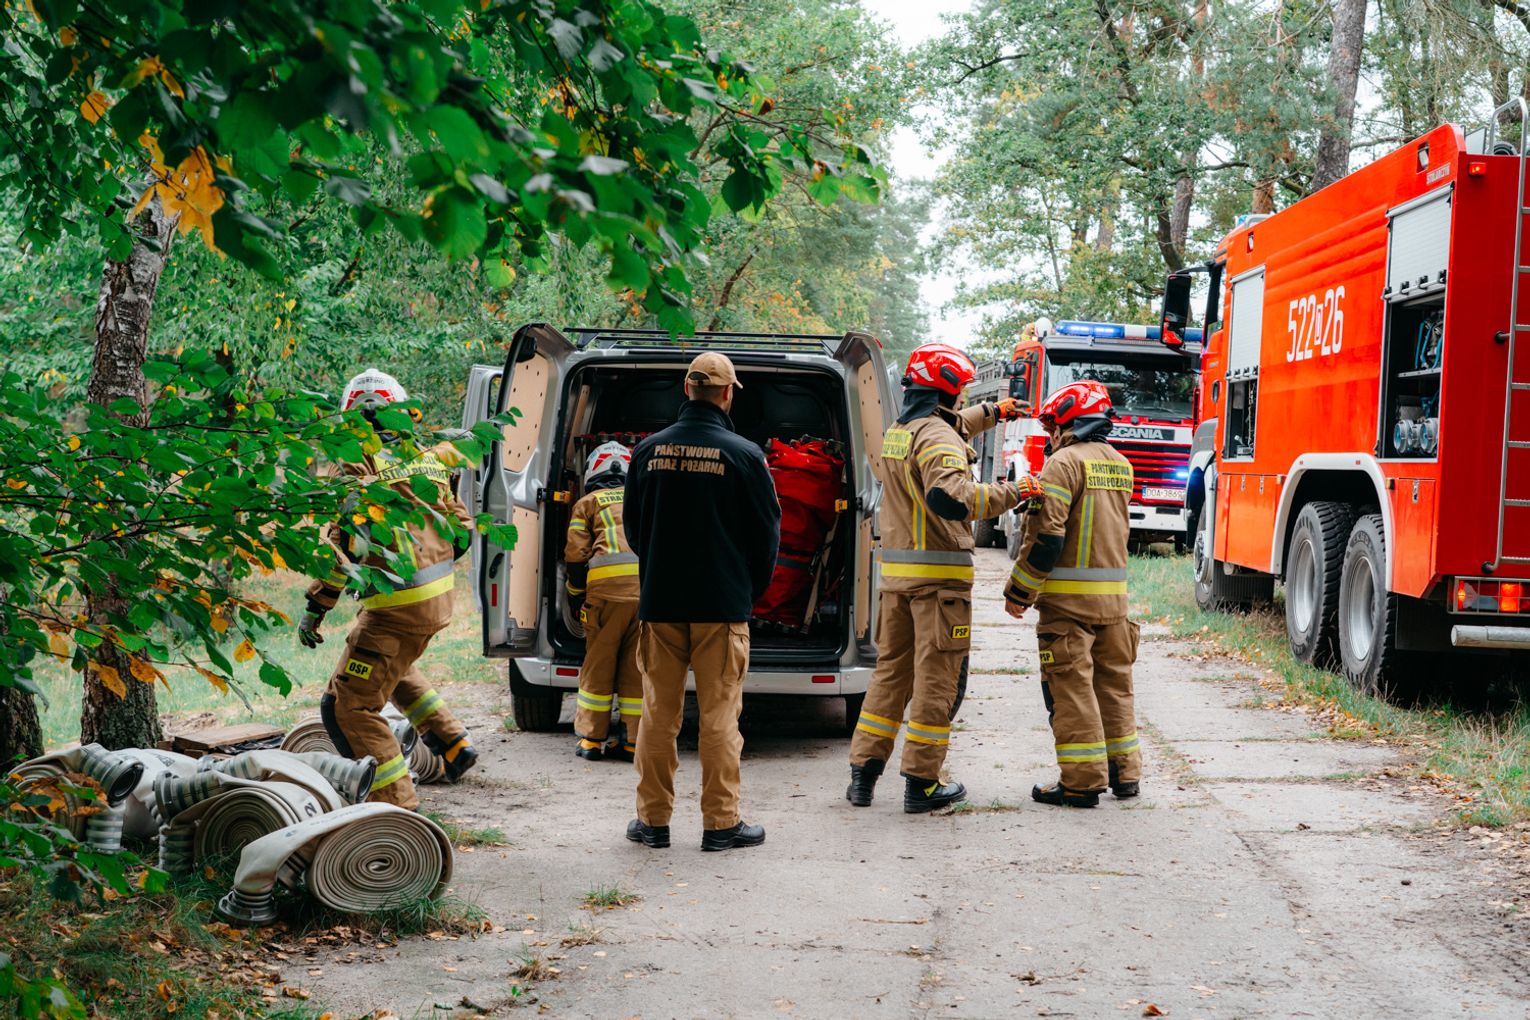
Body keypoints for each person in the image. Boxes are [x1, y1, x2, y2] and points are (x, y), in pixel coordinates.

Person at [846, 342, 1041, 813]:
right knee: (937, 682)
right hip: (938, 587)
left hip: (898, 584)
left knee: (890, 676)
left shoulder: (902, 430)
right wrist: (1015, 491)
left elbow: (947, 428)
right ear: (948, 390)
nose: (964, 398)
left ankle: (863, 776)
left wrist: (995, 412)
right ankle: (922, 782)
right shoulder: (937, 436)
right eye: (962, 391)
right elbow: (950, 497)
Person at [299, 368, 480, 810]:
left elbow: (343, 546)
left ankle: (398, 808)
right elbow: (462, 530)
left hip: (396, 607)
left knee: (346, 707)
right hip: (437, 600)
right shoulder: (425, 456)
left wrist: (317, 606)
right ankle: (453, 744)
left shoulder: (354, 463)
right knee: (391, 665)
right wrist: (426, 564)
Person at [621, 352, 780, 852]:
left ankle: (652, 823)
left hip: (661, 603)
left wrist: (659, 570)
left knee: (657, 716)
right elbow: (767, 536)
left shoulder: (647, 452)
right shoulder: (744, 454)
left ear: (686, 389)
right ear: (728, 394)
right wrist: (746, 591)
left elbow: (634, 529)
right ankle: (721, 825)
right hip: (722, 606)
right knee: (719, 718)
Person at [1002, 380, 1140, 808]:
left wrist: (1020, 590)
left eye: (1053, 426)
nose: (1051, 435)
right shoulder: (1120, 463)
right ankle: (1124, 773)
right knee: (1114, 688)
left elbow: (1047, 536)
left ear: (1070, 423)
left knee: (1072, 689)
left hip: (1068, 607)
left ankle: (1081, 782)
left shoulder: (1062, 464)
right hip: (1114, 605)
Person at [565, 441, 643, 762]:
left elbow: (575, 555)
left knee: (599, 662)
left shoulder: (587, 503)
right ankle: (633, 740)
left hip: (605, 595)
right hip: (643, 594)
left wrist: (575, 594)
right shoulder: (642, 499)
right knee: (636, 666)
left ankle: (592, 739)